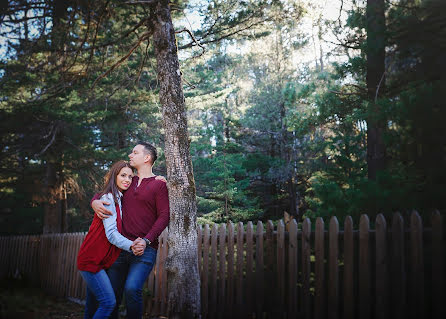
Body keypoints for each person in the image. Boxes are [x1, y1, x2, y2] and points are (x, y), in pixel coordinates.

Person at [91, 142, 170, 319]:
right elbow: (105, 192)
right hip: (119, 249)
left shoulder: (159, 184)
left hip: (145, 250)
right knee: (112, 295)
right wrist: (94, 202)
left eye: (135, 152)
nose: (130, 155)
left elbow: (164, 215)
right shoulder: (128, 181)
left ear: (147, 158)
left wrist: (146, 240)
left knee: (132, 288)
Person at [77, 160, 146, 319]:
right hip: (91, 261)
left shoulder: (120, 199)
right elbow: (111, 234)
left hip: (101, 262)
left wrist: (159, 179)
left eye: (130, 176)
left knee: (92, 306)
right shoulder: (108, 199)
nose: (127, 180)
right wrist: (132, 246)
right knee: (108, 303)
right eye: (123, 175)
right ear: (114, 176)